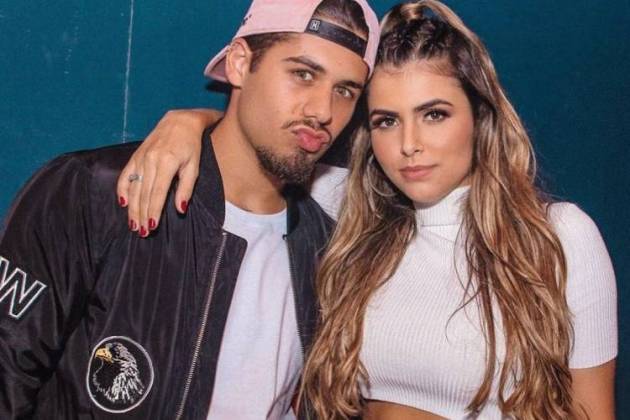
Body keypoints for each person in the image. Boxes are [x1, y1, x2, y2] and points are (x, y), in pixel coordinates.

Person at [117, 1, 618, 418]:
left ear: (479, 116)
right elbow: (257, 141)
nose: (409, 144)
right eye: (385, 121)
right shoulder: (348, 207)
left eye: (434, 114)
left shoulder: (557, 235)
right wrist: (189, 122)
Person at [0, 0, 380, 418]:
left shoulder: (327, 248)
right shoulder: (93, 192)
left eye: (345, 91)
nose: (323, 111)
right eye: (303, 74)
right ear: (239, 63)